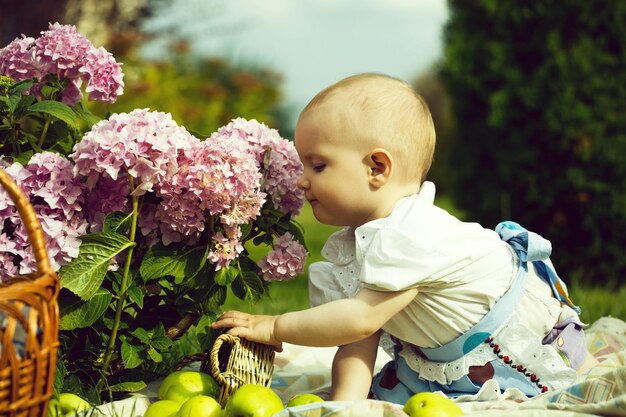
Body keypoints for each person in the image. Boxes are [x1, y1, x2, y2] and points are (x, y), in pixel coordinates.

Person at [212, 73, 597, 402]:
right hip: (450, 353)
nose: (302, 178)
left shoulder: (408, 234)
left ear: (377, 167)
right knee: (391, 393)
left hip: (518, 337)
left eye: (319, 164)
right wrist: (344, 406)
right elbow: (355, 339)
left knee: (546, 385)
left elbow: (360, 320)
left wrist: (275, 327)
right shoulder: (361, 243)